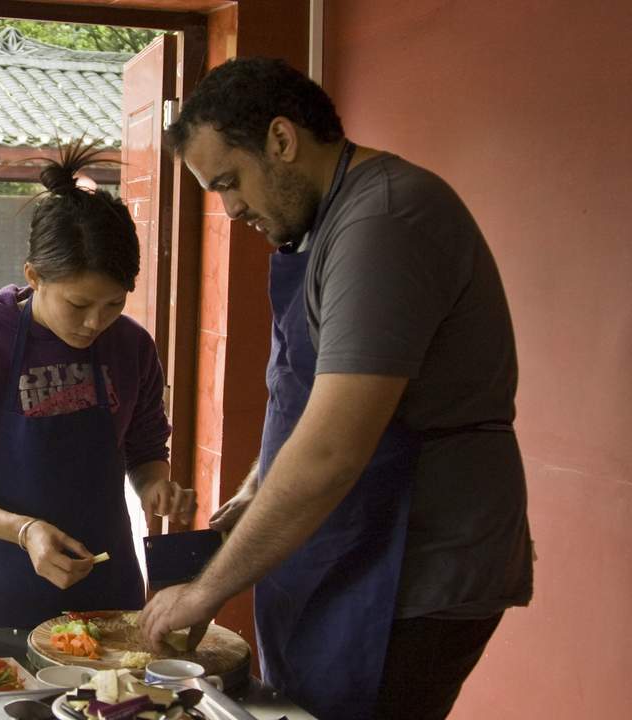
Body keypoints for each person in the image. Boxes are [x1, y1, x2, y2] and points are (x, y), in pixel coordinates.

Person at [137, 58, 533, 720]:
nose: (231, 209)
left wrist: (203, 594)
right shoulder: (325, 225)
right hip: (362, 545)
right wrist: (259, 482)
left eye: (230, 182)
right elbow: (309, 395)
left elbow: (329, 449)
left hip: (413, 561)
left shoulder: (382, 221)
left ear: (281, 140)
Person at [0, 142, 196, 629]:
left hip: (112, 590)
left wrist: (155, 486)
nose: (94, 323)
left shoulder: (131, 346)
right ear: (34, 276)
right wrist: (24, 532)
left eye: (112, 304)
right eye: (78, 304)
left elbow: (146, 446)